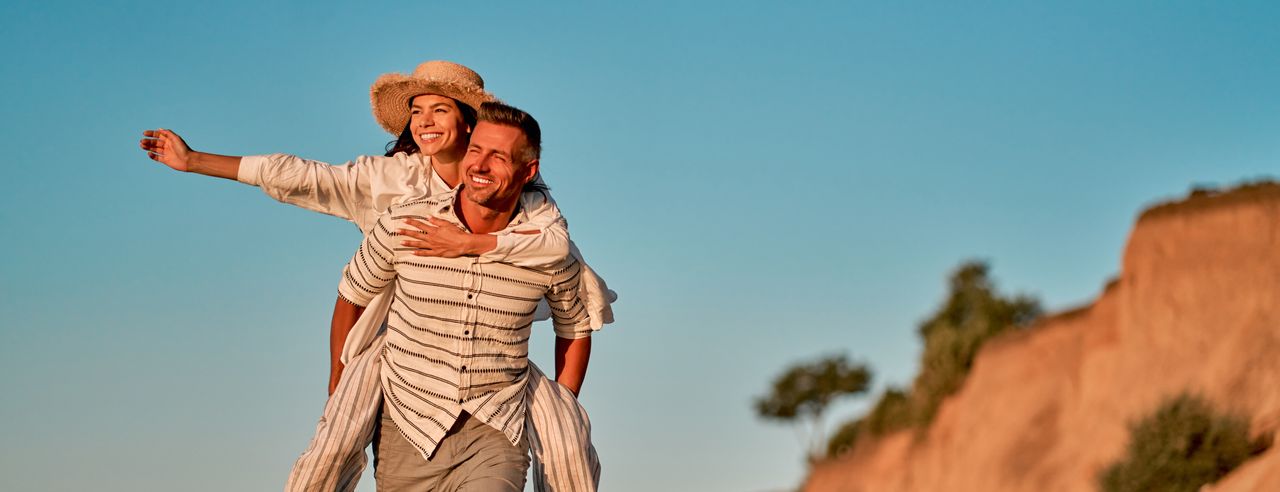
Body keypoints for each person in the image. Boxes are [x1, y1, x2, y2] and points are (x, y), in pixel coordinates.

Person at [139, 61, 608, 491]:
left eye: (439, 109)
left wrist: (474, 244)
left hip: (493, 389)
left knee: (562, 439)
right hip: (404, 361)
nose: (424, 121)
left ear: (470, 121)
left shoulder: (535, 213)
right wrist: (196, 161)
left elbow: (563, 270)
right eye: (416, 111)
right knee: (333, 444)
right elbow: (304, 177)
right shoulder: (391, 184)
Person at [337, 101, 582, 491]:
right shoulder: (406, 222)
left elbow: (575, 325)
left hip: (495, 427)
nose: (479, 166)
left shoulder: (549, 248)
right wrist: (339, 393)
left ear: (528, 170)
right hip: (407, 423)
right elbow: (352, 295)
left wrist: (563, 405)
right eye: (475, 151)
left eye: (498, 157)